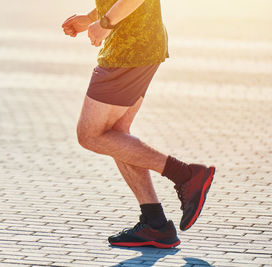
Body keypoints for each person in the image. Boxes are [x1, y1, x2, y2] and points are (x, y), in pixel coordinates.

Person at [61, 0, 216, 249]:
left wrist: (104, 23)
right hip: (136, 45)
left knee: (90, 134)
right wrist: (91, 18)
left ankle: (187, 175)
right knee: (116, 135)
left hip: (129, 48)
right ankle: (155, 223)